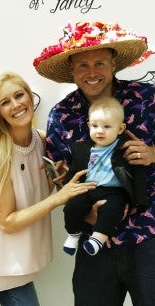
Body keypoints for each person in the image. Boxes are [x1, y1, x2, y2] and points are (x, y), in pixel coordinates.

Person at [33, 21, 155, 306]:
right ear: (72, 70)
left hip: (148, 234)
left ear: (113, 64)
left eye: (99, 63)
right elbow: (61, 178)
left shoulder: (147, 98)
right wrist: (85, 211)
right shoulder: (61, 114)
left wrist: (153, 154)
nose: (91, 72)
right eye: (83, 65)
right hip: (93, 242)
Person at [0, 72, 97, 306]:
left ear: (30, 97)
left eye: (19, 95)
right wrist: (59, 198)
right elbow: (8, 221)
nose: (15, 105)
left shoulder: (42, 141)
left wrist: (54, 179)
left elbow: (31, 195)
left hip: (13, 262)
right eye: (5, 102)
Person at [63, 96, 148, 257]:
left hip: (114, 192)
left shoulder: (125, 146)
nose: (100, 131)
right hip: (88, 189)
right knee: (72, 206)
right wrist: (67, 190)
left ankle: (98, 239)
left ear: (120, 129)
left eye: (107, 126)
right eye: (95, 125)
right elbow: (74, 171)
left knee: (113, 209)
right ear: (89, 125)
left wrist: (141, 199)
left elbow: (138, 171)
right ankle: (73, 234)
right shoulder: (80, 149)